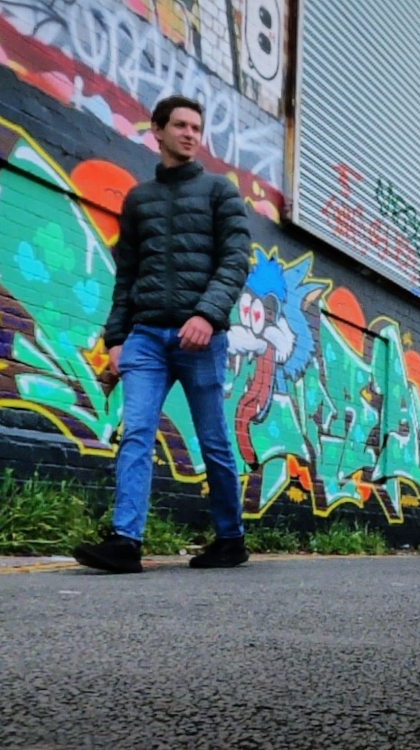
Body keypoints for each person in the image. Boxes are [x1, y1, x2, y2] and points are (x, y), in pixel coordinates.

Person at [72, 95, 251, 574]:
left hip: (201, 338)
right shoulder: (139, 200)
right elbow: (126, 274)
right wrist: (115, 339)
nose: (191, 134)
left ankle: (230, 539)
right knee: (136, 434)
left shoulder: (220, 192)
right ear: (158, 130)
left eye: (197, 127)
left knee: (213, 440)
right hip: (146, 337)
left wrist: (208, 316)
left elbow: (236, 261)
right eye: (181, 126)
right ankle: (125, 542)